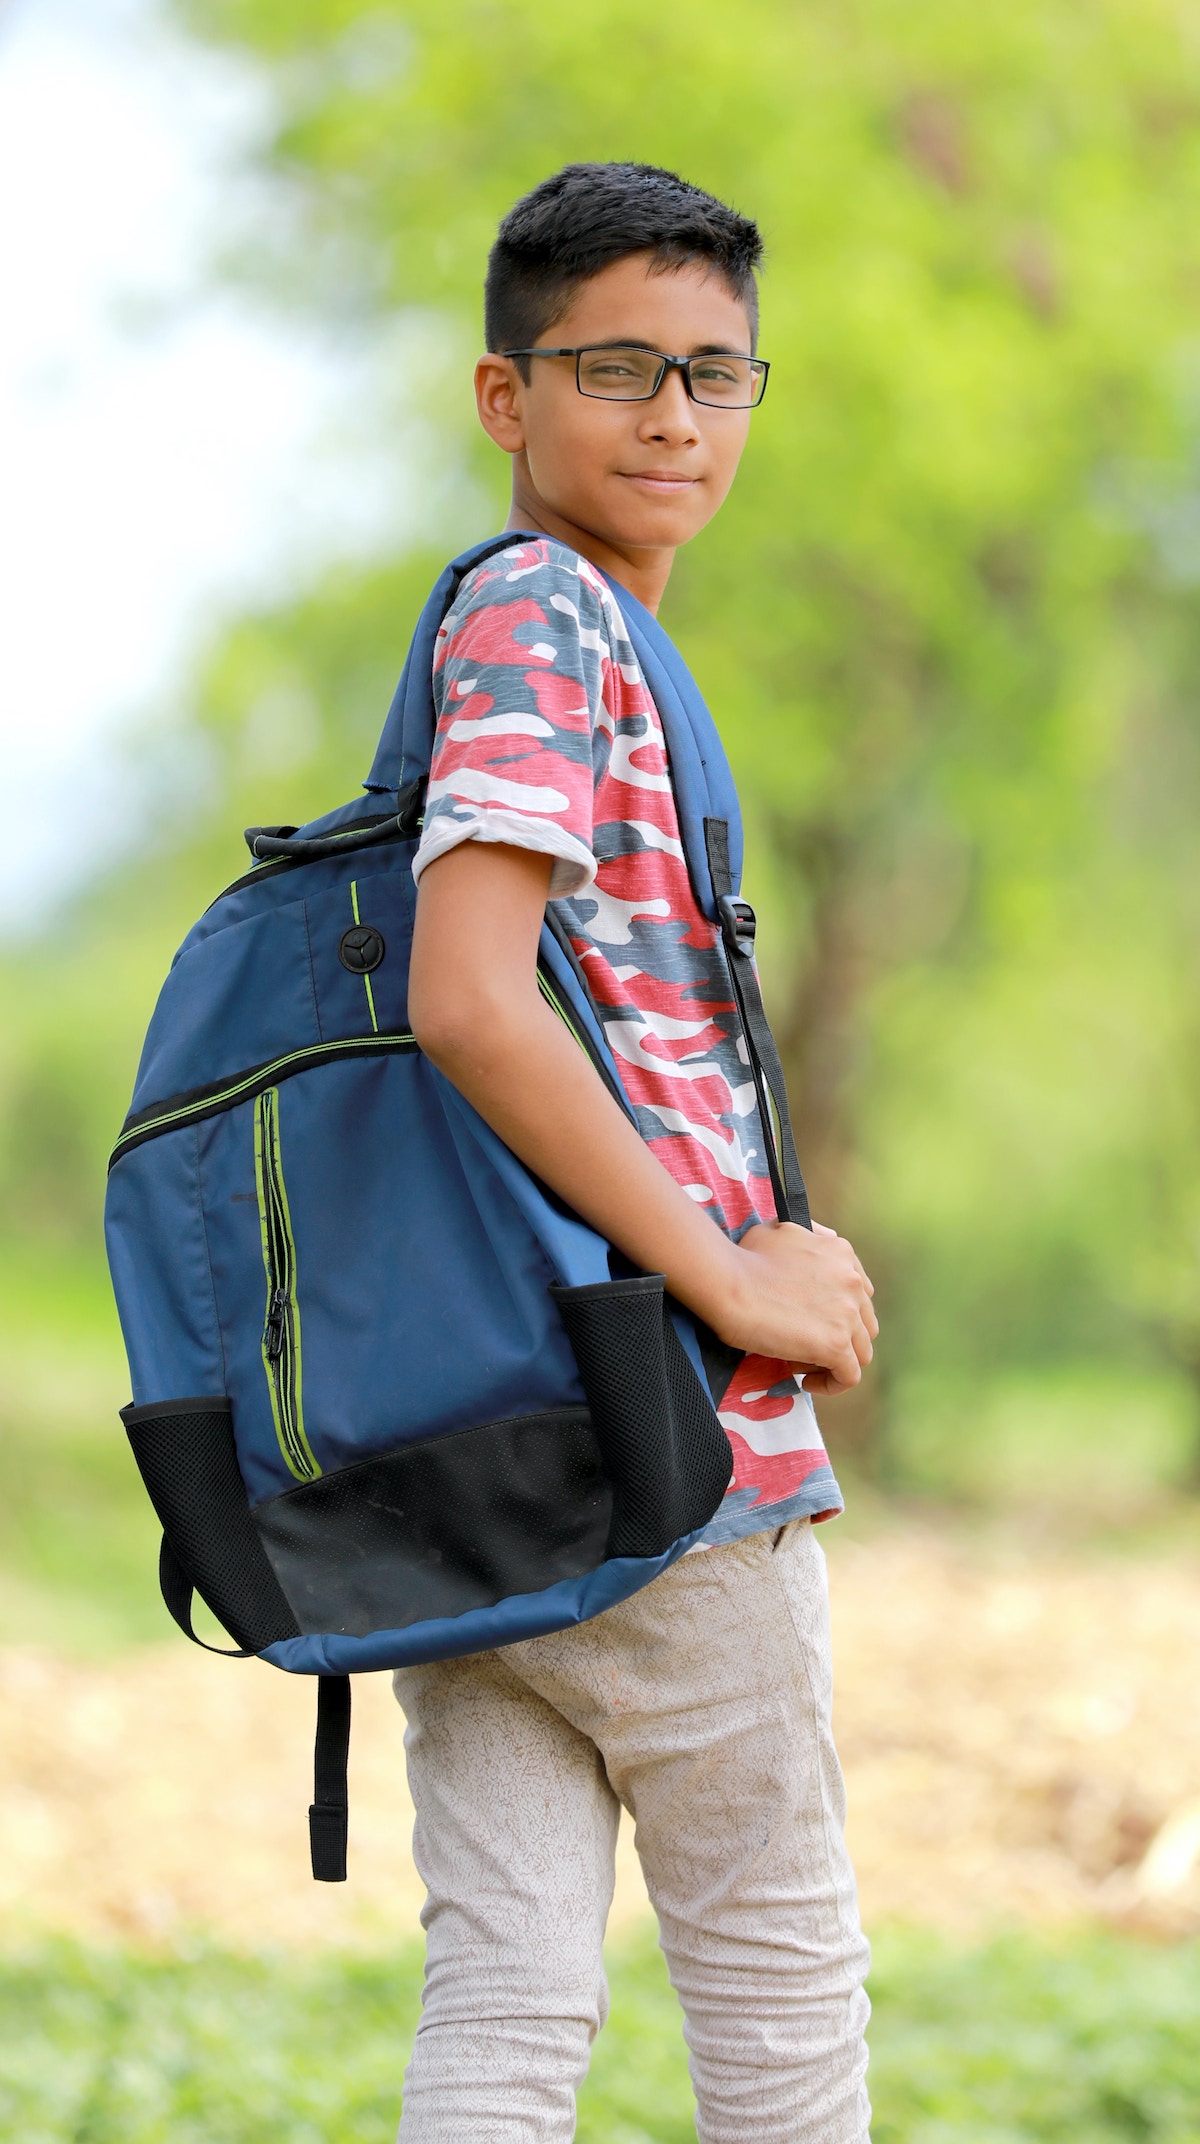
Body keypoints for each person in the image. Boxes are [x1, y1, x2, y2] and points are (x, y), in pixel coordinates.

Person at [396, 160, 878, 2144]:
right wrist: (735, 1271)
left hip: (476, 1444)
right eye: (616, 368)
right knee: (778, 1985)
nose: (675, 416)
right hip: (662, 1435)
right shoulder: (544, 618)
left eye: (715, 375)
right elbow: (470, 993)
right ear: (507, 397)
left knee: (506, 1995)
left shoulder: (556, 632)